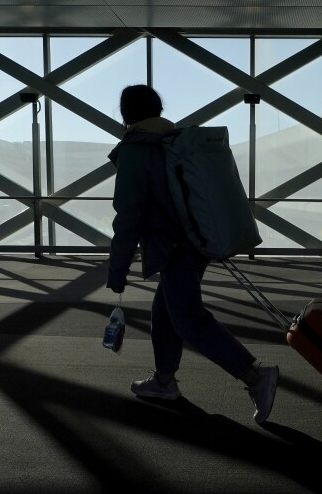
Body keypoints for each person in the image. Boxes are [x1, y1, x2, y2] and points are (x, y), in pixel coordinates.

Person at [106, 84, 279, 423]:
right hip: (195, 242)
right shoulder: (177, 141)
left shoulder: (137, 151)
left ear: (126, 114)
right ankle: (164, 381)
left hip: (172, 249)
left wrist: (117, 270)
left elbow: (127, 216)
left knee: (188, 318)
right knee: (165, 311)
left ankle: (256, 377)